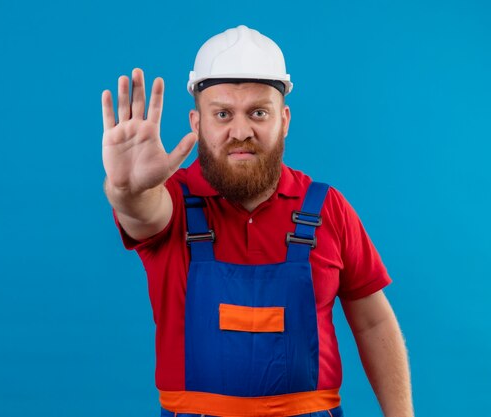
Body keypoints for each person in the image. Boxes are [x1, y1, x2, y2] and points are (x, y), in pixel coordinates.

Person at [101, 25, 413, 417]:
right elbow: (142, 212)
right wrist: (126, 190)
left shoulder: (327, 207)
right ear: (197, 123)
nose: (241, 131)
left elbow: (372, 323)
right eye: (223, 114)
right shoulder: (173, 201)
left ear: (284, 119)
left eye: (258, 113)